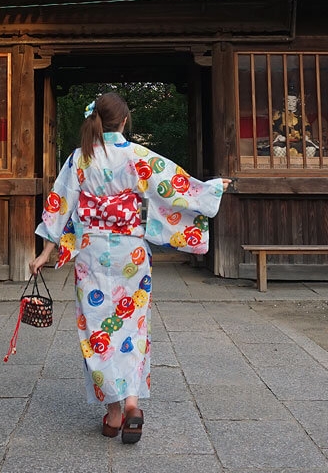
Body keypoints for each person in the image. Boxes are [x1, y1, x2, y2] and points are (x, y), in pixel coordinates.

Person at [30, 92, 231, 444]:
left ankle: (113, 412)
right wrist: (212, 189)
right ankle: (133, 402)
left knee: (96, 328)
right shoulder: (137, 156)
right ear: (124, 121)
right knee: (133, 324)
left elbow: (60, 203)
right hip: (131, 253)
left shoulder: (80, 158)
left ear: (96, 120)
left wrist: (46, 252)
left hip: (92, 251)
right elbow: (174, 186)